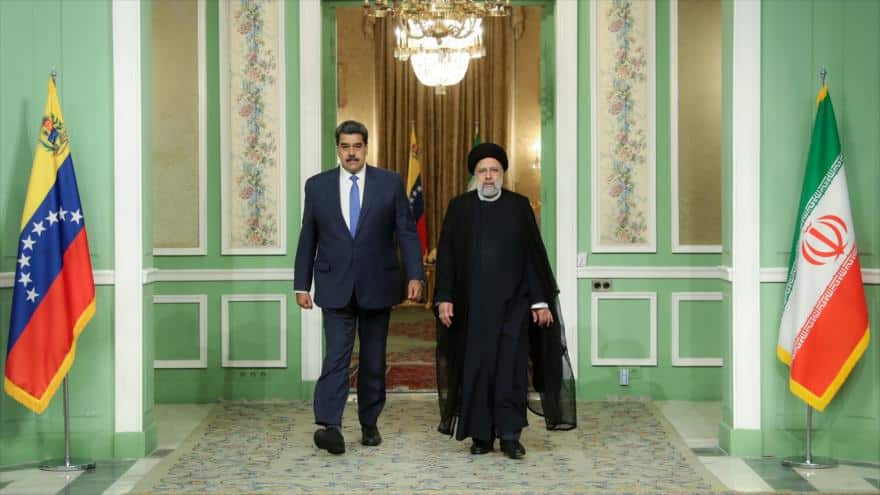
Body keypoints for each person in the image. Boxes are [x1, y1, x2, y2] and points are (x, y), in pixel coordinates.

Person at [433, 142, 576, 460]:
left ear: (502, 174)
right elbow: (447, 257)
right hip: (471, 307)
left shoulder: (519, 206)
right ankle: (481, 434)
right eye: (482, 171)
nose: (488, 176)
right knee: (477, 368)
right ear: (475, 174)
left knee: (511, 370)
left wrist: (539, 301)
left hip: (514, 305)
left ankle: (510, 435)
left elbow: (533, 256)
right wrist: (444, 297)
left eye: (494, 170)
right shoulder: (460, 207)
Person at [294, 120, 425, 455]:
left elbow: (407, 231)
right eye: (345, 146)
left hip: (378, 284)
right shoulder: (317, 186)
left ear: (366, 147)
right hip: (334, 284)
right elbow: (308, 237)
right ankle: (330, 425)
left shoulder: (390, 183)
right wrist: (301, 284)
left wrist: (415, 275)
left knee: (373, 360)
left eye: (357, 146)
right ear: (337, 149)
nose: (351, 153)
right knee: (336, 356)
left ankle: (369, 423)